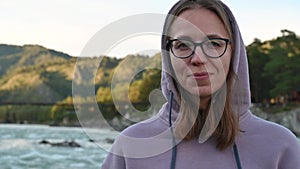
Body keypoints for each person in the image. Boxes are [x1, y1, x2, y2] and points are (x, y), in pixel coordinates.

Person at [101, 0, 300, 169]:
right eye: (182, 45)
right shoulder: (130, 147)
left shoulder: (280, 147)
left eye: (214, 44)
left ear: (234, 53)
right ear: (167, 58)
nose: (198, 58)